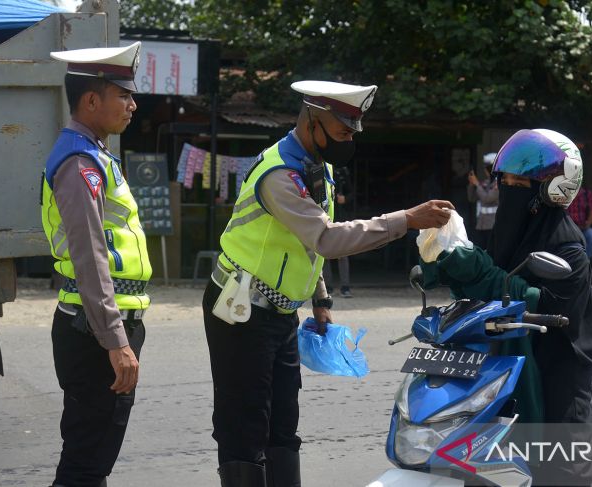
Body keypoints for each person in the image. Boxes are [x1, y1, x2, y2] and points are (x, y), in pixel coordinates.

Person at [203, 80, 455, 487]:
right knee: (244, 425)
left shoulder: (318, 165)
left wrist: (321, 298)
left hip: (280, 310)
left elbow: (305, 243)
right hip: (238, 308)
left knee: (283, 425)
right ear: (311, 122)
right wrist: (405, 219)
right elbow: (327, 238)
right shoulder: (279, 175)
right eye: (342, 133)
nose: (348, 141)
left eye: (353, 133)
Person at [421, 129, 592, 486]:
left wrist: (483, 273)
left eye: (519, 183)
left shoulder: (568, 248)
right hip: (508, 356)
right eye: (504, 181)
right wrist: (445, 262)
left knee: (564, 464)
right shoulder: (510, 235)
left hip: (560, 361)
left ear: (551, 190)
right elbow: (488, 277)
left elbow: (536, 299)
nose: (508, 190)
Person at [41, 42, 150, 487]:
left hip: (100, 328)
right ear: (91, 100)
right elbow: (89, 258)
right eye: (123, 95)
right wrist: (115, 340)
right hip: (95, 332)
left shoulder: (96, 154)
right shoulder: (79, 162)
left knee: (91, 458)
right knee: (86, 463)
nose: (132, 104)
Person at [322, 166, 353, 298]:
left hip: (340, 217)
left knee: (343, 253)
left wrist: (345, 199)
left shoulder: (343, 171)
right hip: (324, 217)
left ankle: (345, 287)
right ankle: (327, 287)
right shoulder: (319, 168)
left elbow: (352, 193)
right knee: (325, 254)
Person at [467, 152, 498, 250]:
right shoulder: (485, 183)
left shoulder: (499, 184)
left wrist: (477, 184)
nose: (486, 171)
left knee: (490, 250)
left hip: (492, 224)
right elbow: (472, 198)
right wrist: (472, 184)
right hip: (481, 224)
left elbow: (487, 198)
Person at [567, 185, 592, 258]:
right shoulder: (564, 192)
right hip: (567, 228)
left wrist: (588, 224)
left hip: (582, 227)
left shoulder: (586, 193)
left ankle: (585, 261)